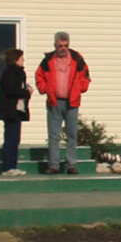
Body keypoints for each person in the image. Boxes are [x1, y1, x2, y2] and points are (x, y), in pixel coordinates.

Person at [34, 31, 90, 174]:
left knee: (72, 135)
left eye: (66, 45)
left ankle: (71, 165)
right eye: (60, 46)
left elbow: (85, 76)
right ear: (55, 45)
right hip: (54, 102)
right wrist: (44, 89)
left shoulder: (77, 59)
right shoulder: (48, 60)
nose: (63, 48)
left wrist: (80, 88)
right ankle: (54, 165)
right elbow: (39, 75)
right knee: (53, 136)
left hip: (72, 102)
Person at [0, 48, 31, 175]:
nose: (23, 60)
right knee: (10, 139)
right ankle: (7, 167)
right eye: (21, 58)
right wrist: (27, 92)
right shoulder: (10, 72)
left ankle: (13, 165)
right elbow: (12, 90)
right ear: (15, 59)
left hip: (18, 110)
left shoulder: (18, 73)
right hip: (10, 111)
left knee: (15, 139)